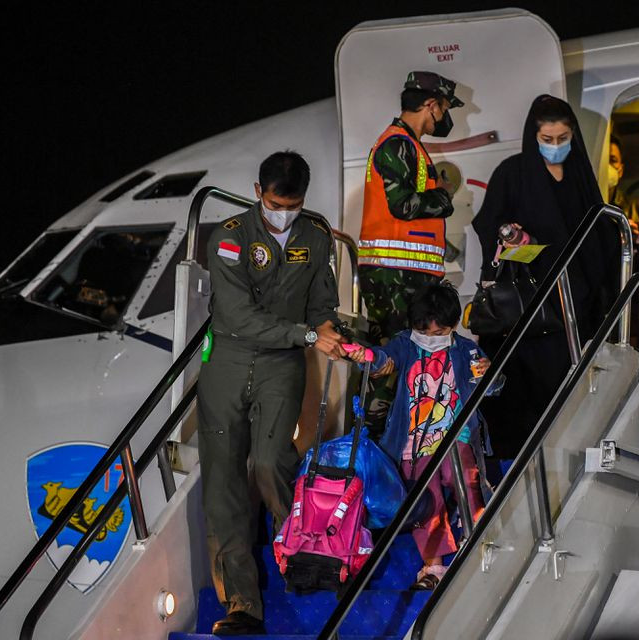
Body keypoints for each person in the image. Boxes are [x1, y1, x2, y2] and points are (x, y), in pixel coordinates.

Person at [197, 151, 346, 636]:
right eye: (277, 202)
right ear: (258, 191)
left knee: (269, 462)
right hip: (229, 361)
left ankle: (303, 559)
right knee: (223, 484)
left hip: (280, 368)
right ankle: (242, 605)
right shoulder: (230, 238)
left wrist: (329, 330)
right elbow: (238, 317)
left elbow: (321, 301)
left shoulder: (316, 236)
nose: (285, 212)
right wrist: (307, 337)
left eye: (294, 203)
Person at [472, 94, 621, 459]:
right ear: (532, 137)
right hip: (529, 311)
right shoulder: (513, 173)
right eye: (547, 140)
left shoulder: (580, 176)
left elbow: (599, 236)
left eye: (563, 139)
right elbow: (489, 227)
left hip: (578, 308)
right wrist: (517, 240)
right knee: (523, 402)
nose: (556, 147)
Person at [347, 283, 498, 589]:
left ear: (453, 326)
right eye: (424, 332)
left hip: (457, 434)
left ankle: (480, 541)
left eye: (438, 332)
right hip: (413, 444)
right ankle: (433, 567)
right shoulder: (405, 344)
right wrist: (366, 357)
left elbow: (493, 388)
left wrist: (490, 373)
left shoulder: (466, 349)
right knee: (426, 503)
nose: (430, 338)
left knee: (467, 484)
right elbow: (382, 358)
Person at [358, 70, 464, 437]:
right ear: (431, 104)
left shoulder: (410, 147)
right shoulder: (396, 144)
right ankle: (373, 449)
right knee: (391, 366)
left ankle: (392, 446)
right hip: (393, 277)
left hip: (405, 274)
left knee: (405, 367)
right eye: (445, 108)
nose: (445, 118)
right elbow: (403, 206)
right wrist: (444, 196)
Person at [608, 135, 639, 256]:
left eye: (612, 160)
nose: (607, 167)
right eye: (603, 161)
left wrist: (636, 244)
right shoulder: (581, 206)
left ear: (620, 170)